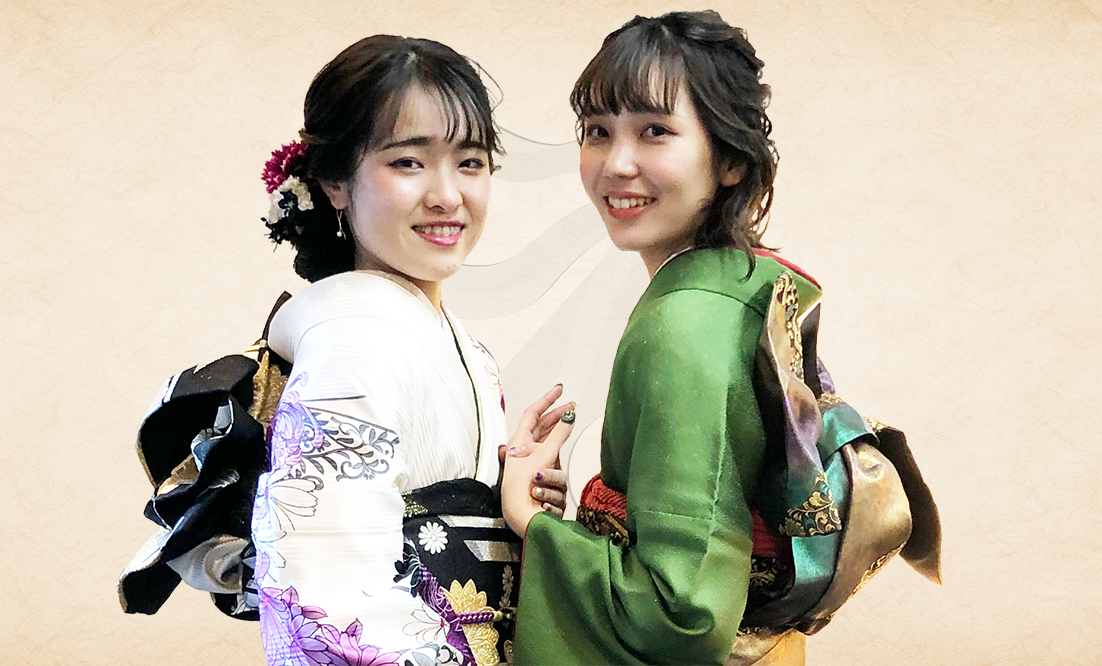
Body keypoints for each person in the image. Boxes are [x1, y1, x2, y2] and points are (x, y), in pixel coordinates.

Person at [121, 34, 574, 666]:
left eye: (470, 163)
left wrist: (512, 505)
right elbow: (326, 585)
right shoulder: (356, 327)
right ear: (335, 181)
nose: (448, 195)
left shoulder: (456, 343)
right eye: (408, 162)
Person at [501, 11, 937, 665]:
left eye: (655, 131)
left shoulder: (681, 327)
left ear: (730, 159)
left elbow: (682, 614)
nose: (616, 163)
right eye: (597, 131)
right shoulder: (745, 285)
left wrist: (530, 520)